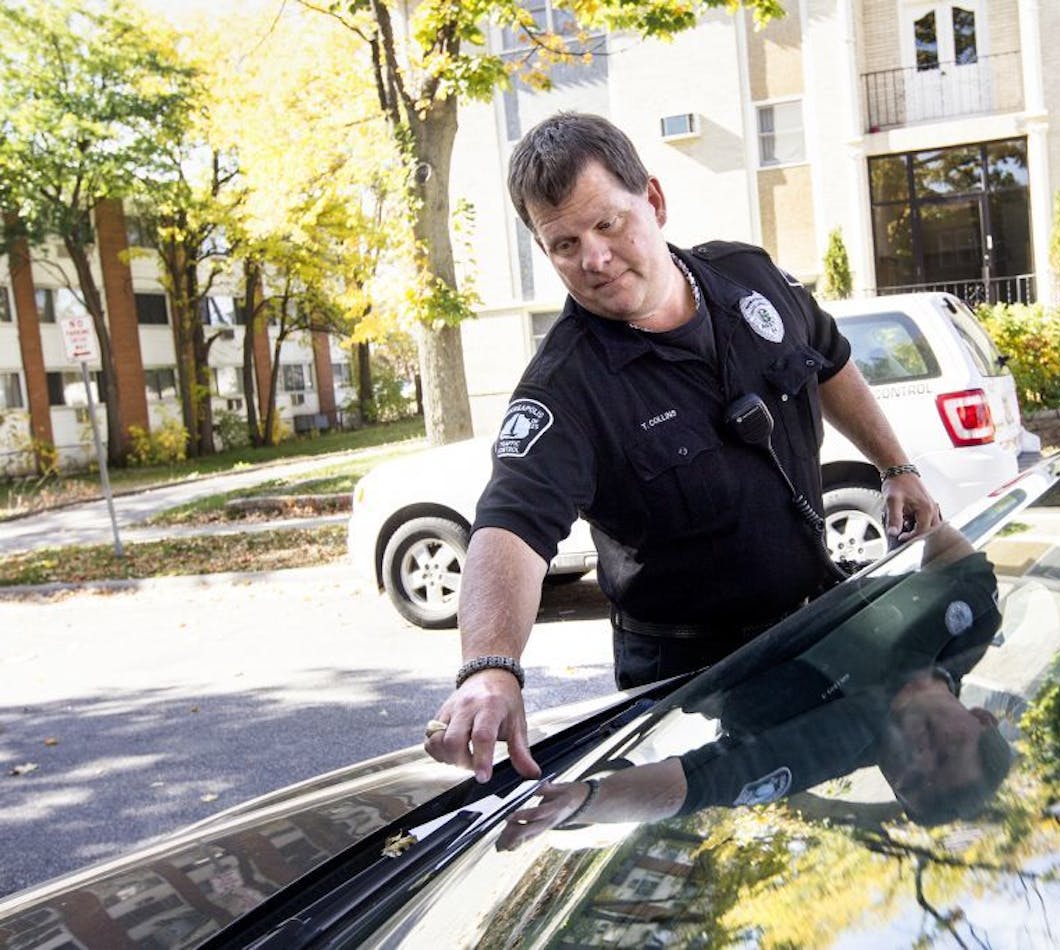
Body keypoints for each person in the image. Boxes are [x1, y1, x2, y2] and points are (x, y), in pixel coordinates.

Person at [425, 112, 941, 782]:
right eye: (565, 244)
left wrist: (894, 466)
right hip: (689, 695)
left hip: (814, 632)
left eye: (608, 224)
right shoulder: (565, 388)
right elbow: (511, 526)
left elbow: (829, 359)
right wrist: (489, 670)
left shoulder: (747, 278)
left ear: (656, 201)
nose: (595, 259)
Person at [494, 522, 1014, 849]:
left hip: (665, 559)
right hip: (762, 499)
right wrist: (901, 486)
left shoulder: (832, 744)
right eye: (947, 755)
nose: (920, 760)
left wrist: (583, 801)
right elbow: (938, 534)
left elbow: (700, 785)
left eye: (914, 783)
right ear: (982, 719)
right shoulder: (974, 621)